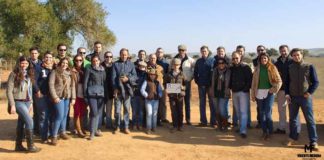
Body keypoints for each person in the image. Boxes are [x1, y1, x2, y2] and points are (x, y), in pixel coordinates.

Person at [285, 48, 319, 150]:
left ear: (302, 55)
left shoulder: (309, 66)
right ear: (292, 56)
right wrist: (287, 94)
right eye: (294, 55)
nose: (296, 57)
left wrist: (309, 92)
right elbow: (286, 82)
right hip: (293, 97)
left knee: (309, 120)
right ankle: (293, 138)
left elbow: (315, 82)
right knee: (293, 119)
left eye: (298, 55)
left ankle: (313, 141)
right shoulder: (289, 67)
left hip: (305, 98)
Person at [6, 56, 41, 152]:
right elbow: (9, 91)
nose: (24, 65)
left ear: (29, 64)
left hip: (27, 102)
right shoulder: (13, 74)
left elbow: (30, 90)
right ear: (19, 63)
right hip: (18, 102)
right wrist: (12, 105)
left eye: (26, 63)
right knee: (30, 121)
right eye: (22, 63)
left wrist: (31, 103)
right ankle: (31, 146)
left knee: (21, 123)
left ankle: (18, 146)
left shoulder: (29, 74)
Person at [251, 53, 282, 140]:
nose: (263, 60)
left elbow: (279, 81)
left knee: (267, 112)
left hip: (269, 93)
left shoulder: (272, 68)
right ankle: (264, 131)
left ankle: (270, 131)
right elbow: (253, 83)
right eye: (262, 58)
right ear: (259, 60)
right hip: (259, 93)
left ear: (268, 59)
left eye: (265, 58)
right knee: (261, 112)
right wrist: (253, 94)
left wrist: (274, 89)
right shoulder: (257, 69)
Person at [274, 45, 301, 134]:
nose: (283, 52)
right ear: (279, 52)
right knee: (281, 110)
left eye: (285, 51)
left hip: (292, 90)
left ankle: (296, 130)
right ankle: (282, 128)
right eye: (281, 51)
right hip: (281, 90)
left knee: (293, 110)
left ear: (288, 51)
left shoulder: (293, 61)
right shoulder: (277, 63)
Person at [49, 58, 76, 145]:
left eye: (66, 63)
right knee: (59, 116)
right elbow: (51, 85)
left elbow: (72, 86)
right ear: (60, 63)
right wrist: (54, 97)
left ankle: (62, 132)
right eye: (63, 62)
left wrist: (73, 98)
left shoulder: (69, 73)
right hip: (58, 97)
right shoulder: (55, 72)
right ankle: (54, 136)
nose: (65, 64)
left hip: (66, 97)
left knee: (64, 116)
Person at [112, 48, 137, 134]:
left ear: (128, 55)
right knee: (117, 111)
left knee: (126, 110)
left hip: (127, 90)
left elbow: (135, 76)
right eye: (122, 54)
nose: (124, 56)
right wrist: (115, 88)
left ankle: (126, 127)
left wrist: (128, 78)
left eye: (125, 54)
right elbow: (113, 78)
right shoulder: (115, 64)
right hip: (118, 91)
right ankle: (117, 126)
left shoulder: (131, 64)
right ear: (120, 54)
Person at [229, 52, 252, 138]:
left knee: (243, 111)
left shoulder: (245, 67)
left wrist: (245, 89)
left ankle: (243, 130)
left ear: (240, 57)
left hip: (243, 93)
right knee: (238, 111)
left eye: (237, 58)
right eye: (233, 58)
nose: (235, 60)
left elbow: (250, 80)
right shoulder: (231, 68)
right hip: (234, 92)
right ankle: (241, 127)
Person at [83, 55, 106, 140]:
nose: (95, 62)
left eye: (97, 61)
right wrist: (85, 95)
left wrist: (105, 94)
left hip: (101, 94)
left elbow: (104, 82)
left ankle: (95, 130)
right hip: (91, 94)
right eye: (93, 61)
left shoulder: (103, 70)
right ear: (91, 62)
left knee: (98, 114)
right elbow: (85, 83)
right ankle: (92, 133)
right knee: (94, 113)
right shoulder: (89, 69)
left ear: (99, 61)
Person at [34, 51, 54, 143]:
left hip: (51, 96)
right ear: (43, 58)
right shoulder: (38, 68)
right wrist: (37, 91)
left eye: (50, 57)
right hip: (41, 95)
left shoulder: (54, 68)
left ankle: (50, 134)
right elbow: (33, 81)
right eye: (46, 57)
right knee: (43, 115)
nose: (48, 59)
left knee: (51, 115)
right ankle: (44, 137)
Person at [194, 45, 215, 127]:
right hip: (201, 85)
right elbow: (195, 72)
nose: (204, 52)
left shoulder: (213, 60)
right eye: (202, 51)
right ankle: (203, 121)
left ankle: (213, 122)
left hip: (210, 85)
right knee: (202, 103)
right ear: (201, 52)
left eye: (205, 51)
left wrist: (212, 84)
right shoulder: (198, 61)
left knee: (212, 103)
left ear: (208, 51)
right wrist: (197, 81)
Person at [174, 44, 195, 125]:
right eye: (180, 50)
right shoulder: (174, 59)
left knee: (187, 101)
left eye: (183, 50)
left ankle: (188, 119)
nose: (181, 52)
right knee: (177, 101)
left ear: (186, 51)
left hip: (187, 83)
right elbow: (170, 69)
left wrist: (191, 77)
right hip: (176, 83)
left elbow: (194, 69)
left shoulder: (190, 60)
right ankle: (178, 120)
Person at [164, 58, 186, 132]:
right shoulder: (168, 74)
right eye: (174, 65)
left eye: (178, 65)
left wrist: (183, 87)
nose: (176, 66)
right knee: (173, 111)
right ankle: (175, 126)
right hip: (172, 96)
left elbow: (186, 85)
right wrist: (166, 89)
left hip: (180, 96)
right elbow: (165, 84)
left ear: (180, 65)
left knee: (180, 111)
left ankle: (181, 126)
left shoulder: (182, 74)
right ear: (172, 65)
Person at [210, 57, 231, 131]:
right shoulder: (215, 70)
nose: (221, 64)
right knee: (217, 110)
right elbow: (212, 82)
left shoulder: (229, 71)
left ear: (225, 63)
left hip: (224, 93)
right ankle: (219, 125)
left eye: (222, 63)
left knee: (223, 110)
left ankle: (225, 126)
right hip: (215, 92)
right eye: (219, 63)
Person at [140, 68, 163, 134]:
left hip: (156, 100)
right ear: (149, 75)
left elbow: (160, 91)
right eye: (151, 74)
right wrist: (146, 95)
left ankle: (154, 127)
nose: (152, 76)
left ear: (156, 75)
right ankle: (148, 128)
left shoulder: (157, 82)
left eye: (154, 75)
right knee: (149, 114)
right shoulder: (146, 81)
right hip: (148, 101)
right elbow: (142, 89)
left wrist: (160, 95)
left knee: (155, 114)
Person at [71, 54, 87, 138]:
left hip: (83, 93)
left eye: (80, 60)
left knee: (82, 112)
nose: (78, 62)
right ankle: (79, 130)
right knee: (77, 112)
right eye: (76, 60)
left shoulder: (85, 70)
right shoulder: (71, 70)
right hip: (75, 93)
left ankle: (81, 127)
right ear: (74, 61)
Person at [147, 54, 165, 126]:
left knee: (159, 106)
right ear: (149, 58)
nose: (153, 59)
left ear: (156, 59)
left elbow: (163, 77)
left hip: (159, 88)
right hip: (150, 89)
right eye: (151, 58)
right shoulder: (146, 67)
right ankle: (148, 122)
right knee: (149, 107)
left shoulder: (160, 68)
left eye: (154, 58)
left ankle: (158, 121)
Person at [29, 47, 42, 136]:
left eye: (35, 53)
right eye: (32, 53)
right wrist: (37, 89)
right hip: (30, 90)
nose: (34, 55)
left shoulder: (41, 63)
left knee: (38, 111)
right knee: (28, 111)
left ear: (38, 54)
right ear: (30, 54)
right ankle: (27, 132)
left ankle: (37, 129)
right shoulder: (27, 63)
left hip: (40, 91)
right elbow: (31, 79)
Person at [131, 61, 147, 130]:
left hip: (142, 95)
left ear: (145, 67)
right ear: (138, 66)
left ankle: (140, 124)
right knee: (134, 111)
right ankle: (134, 124)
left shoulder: (147, 75)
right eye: (140, 66)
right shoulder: (134, 74)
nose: (142, 67)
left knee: (141, 111)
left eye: (143, 67)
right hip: (134, 94)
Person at [156, 47, 170, 123]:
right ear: (156, 53)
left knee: (163, 102)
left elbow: (169, 75)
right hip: (154, 85)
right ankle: (156, 118)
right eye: (158, 52)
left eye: (161, 52)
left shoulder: (166, 63)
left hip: (163, 85)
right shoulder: (153, 61)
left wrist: (168, 86)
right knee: (155, 101)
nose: (159, 53)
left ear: (163, 53)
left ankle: (163, 117)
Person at [101, 51, 114, 129]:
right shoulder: (100, 66)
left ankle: (108, 124)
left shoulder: (114, 66)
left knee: (109, 110)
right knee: (101, 110)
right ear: (104, 57)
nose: (108, 58)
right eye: (107, 56)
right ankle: (100, 123)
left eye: (110, 57)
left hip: (110, 91)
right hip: (101, 91)